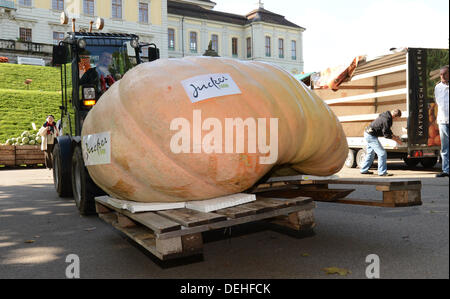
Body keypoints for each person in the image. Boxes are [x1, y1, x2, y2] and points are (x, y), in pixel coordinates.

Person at [360, 109, 403, 176]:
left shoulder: (386, 115)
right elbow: (386, 135)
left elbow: (388, 130)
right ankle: (382, 172)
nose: (396, 120)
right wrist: (397, 140)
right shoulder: (386, 119)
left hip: (368, 133)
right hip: (371, 136)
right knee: (382, 153)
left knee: (370, 153)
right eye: (397, 118)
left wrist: (395, 136)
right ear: (395, 116)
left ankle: (364, 170)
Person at [435, 65, 449, 177]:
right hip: (443, 121)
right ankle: (446, 170)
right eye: (441, 74)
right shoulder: (437, 87)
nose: (442, 76)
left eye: (444, 74)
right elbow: (438, 103)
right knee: (445, 147)